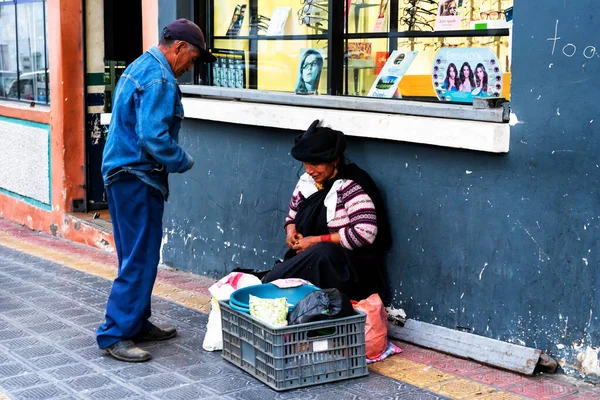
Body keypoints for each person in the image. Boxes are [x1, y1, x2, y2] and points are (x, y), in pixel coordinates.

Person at [96, 19, 216, 363]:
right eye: (191, 60)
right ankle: (115, 333)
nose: (189, 68)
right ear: (178, 47)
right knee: (140, 257)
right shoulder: (160, 78)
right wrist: (183, 160)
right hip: (137, 177)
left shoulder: (141, 64)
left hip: (121, 174)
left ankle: (136, 321)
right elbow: (154, 138)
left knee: (135, 255)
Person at [262, 120, 391, 301]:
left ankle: (269, 283)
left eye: (316, 164)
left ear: (334, 160)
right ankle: (271, 284)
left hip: (347, 271)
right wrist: (291, 232)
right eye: (306, 164)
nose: (309, 170)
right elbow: (291, 216)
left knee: (324, 251)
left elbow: (366, 233)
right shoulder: (306, 183)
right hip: (311, 261)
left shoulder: (350, 185)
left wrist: (315, 241)